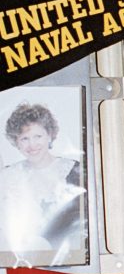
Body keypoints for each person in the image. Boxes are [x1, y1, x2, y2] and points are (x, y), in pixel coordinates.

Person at [0, 101, 83, 261]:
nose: (32, 145)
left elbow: (79, 228)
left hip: (64, 260)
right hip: (16, 260)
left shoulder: (74, 171)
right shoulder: (9, 174)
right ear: (15, 141)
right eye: (24, 138)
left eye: (38, 136)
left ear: (50, 135)